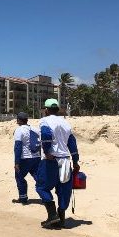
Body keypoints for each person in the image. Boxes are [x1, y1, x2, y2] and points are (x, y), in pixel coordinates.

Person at [36, 98, 80, 229]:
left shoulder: (45, 120)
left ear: (46, 110)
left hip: (51, 160)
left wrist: (46, 150)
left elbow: (45, 134)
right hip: (66, 160)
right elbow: (72, 142)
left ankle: (52, 215)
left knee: (42, 187)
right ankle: (61, 218)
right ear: (58, 110)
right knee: (63, 190)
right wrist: (76, 161)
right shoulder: (66, 123)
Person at [13, 112, 41, 204]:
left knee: (19, 176)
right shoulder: (35, 129)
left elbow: (18, 147)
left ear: (19, 120)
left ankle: (23, 198)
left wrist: (16, 162)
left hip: (25, 158)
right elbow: (39, 144)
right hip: (36, 157)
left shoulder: (19, 130)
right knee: (38, 177)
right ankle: (45, 197)